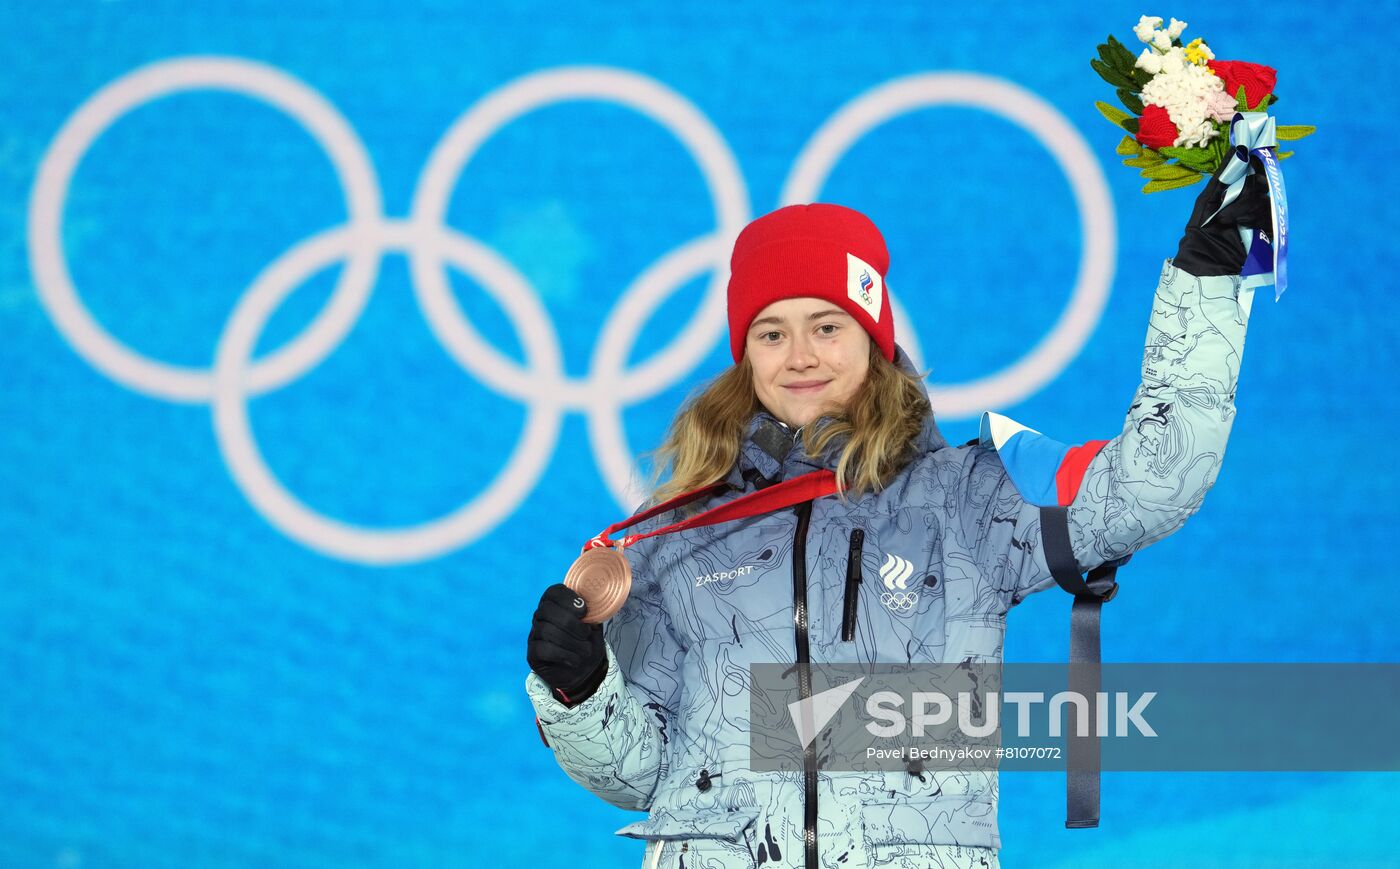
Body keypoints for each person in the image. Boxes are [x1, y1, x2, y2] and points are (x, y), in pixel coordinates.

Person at [525, 163, 1272, 868]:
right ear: (744, 352)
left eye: (827, 325)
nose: (800, 356)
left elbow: (1154, 482)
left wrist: (1205, 287)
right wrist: (579, 690)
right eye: (772, 332)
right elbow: (638, 773)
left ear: (872, 336)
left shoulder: (967, 498)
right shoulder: (676, 531)